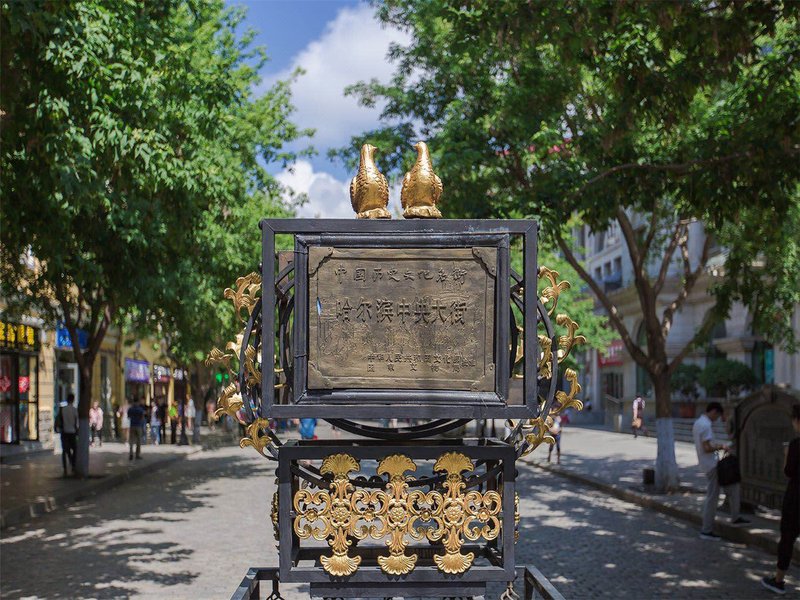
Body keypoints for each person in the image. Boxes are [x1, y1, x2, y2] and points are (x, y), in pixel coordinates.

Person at [693, 401, 750, 539]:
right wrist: (721, 446)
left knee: (733, 487)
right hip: (712, 465)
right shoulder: (706, 425)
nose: (717, 419)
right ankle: (706, 530)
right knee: (712, 498)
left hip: (709, 464)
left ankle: (735, 516)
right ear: (714, 412)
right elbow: (707, 447)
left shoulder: (698, 423)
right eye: (717, 416)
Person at [761, 404, 800, 595]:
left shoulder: (795, 445)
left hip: (796, 498)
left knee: (787, 538)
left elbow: (789, 471)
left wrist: (786, 455)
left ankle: (778, 580)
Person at [55, 393, 79, 476]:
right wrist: (77, 432)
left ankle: (65, 468)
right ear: (73, 400)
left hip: (64, 432)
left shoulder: (63, 409)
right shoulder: (74, 410)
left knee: (65, 450)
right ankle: (73, 464)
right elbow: (76, 423)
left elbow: (59, 420)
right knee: (75, 449)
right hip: (72, 432)